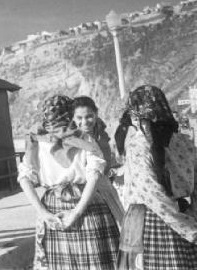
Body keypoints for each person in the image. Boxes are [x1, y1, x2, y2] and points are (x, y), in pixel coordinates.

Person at [18, 95, 119, 270]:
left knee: (60, 264)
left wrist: (42, 212)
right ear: (70, 114)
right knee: (97, 261)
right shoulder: (84, 138)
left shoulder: (36, 140)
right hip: (88, 203)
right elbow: (94, 175)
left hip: (53, 205)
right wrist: (76, 212)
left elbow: (24, 177)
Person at [117, 85, 197, 269]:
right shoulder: (183, 141)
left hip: (150, 222)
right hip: (183, 214)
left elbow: (153, 195)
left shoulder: (138, 145)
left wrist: (190, 229)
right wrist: (192, 218)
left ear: (134, 114)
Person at [71, 96, 124, 226]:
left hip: (105, 190)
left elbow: (108, 160)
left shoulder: (101, 134)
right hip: (81, 193)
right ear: (72, 118)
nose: (84, 122)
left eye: (89, 116)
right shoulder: (71, 139)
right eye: (79, 118)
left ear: (96, 114)